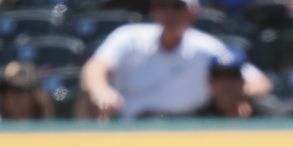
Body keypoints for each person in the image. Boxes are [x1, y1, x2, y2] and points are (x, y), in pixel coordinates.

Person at [80, 0, 270, 119]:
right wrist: (101, 90)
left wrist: (227, 92)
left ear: (193, 12)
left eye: (177, 6)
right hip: (130, 127)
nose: (169, 13)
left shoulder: (205, 47)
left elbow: (259, 82)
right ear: (153, 9)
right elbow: (95, 67)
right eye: (162, 5)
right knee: (85, 98)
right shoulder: (128, 37)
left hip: (187, 129)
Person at [197, 47, 261, 118]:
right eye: (218, 75)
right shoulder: (198, 119)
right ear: (209, 81)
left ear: (243, 80)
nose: (226, 83)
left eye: (233, 75)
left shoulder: (265, 114)